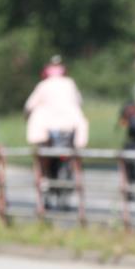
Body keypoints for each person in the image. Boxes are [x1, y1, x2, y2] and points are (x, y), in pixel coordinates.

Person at [25, 56, 89, 208]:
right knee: (72, 159)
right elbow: (79, 102)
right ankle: (66, 190)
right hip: (69, 130)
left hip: (47, 133)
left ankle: (45, 191)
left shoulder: (43, 85)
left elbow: (29, 106)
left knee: (43, 164)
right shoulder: (70, 83)